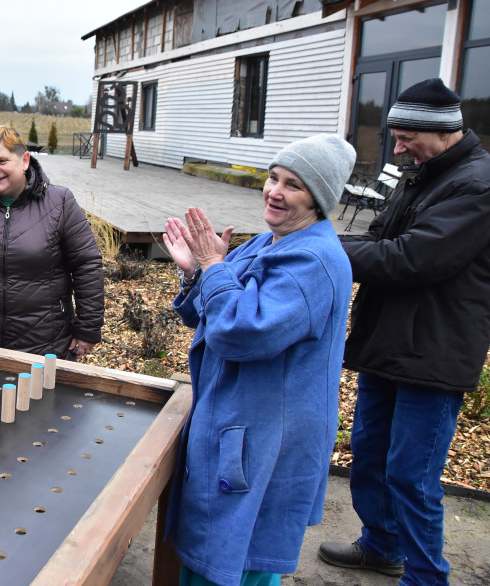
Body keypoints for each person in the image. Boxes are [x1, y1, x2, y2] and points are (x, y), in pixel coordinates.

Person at [163, 134, 356, 586]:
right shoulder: (270, 242)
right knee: (211, 548)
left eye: (294, 185)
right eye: (273, 178)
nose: (275, 191)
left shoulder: (313, 261)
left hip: (263, 435)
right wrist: (196, 271)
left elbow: (239, 332)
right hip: (239, 419)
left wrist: (212, 265)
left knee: (236, 558)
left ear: (319, 199)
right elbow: (209, 314)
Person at [318, 78, 490, 585]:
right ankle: (381, 545)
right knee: (370, 453)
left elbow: (412, 259)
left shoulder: (477, 185)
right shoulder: (423, 173)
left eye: (405, 136)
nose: (396, 148)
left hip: (433, 351)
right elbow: (378, 236)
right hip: (390, 342)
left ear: (441, 132)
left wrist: (320, 245)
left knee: (412, 475)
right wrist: (330, 239)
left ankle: (425, 576)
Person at [0, 125, 103, 359]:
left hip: (46, 345)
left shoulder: (59, 202)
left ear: (25, 161)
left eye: (3, 161)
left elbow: (87, 266)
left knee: (40, 396)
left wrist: (88, 328)